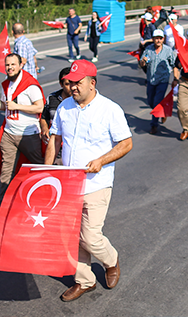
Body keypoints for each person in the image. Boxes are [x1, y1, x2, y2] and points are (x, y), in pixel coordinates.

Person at [44, 59, 133, 302]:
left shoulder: (109, 109)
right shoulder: (64, 108)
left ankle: (111, 260)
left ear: (92, 83)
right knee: (71, 235)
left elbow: (126, 143)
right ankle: (84, 280)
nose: (72, 87)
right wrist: (46, 170)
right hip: (68, 183)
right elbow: (54, 140)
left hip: (97, 182)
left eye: (78, 83)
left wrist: (102, 160)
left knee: (90, 236)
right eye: (70, 83)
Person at [0, 54, 44, 220]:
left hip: (28, 135)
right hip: (9, 134)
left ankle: (43, 202)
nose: (10, 68)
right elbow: (4, 106)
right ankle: (3, 206)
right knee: (6, 172)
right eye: (7, 65)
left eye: (13, 65)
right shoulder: (7, 84)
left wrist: (18, 106)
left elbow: (39, 107)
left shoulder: (30, 85)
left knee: (39, 168)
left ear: (21, 65)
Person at [140, 29, 176, 134]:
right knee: (151, 101)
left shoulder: (168, 50)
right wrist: (143, 61)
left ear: (163, 39)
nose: (158, 40)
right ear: (153, 39)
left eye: (160, 38)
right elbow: (142, 63)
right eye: (156, 38)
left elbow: (174, 64)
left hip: (163, 80)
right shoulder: (148, 50)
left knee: (157, 101)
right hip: (151, 80)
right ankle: (162, 112)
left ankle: (154, 125)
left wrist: (176, 79)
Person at [39, 67, 71, 164]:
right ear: (61, 84)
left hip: (71, 147)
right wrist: (44, 129)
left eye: (73, 82)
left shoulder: (79, 100)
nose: (71, 87)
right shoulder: (52, 98)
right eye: (67, 84)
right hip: (55, 146)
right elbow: (44, 118)